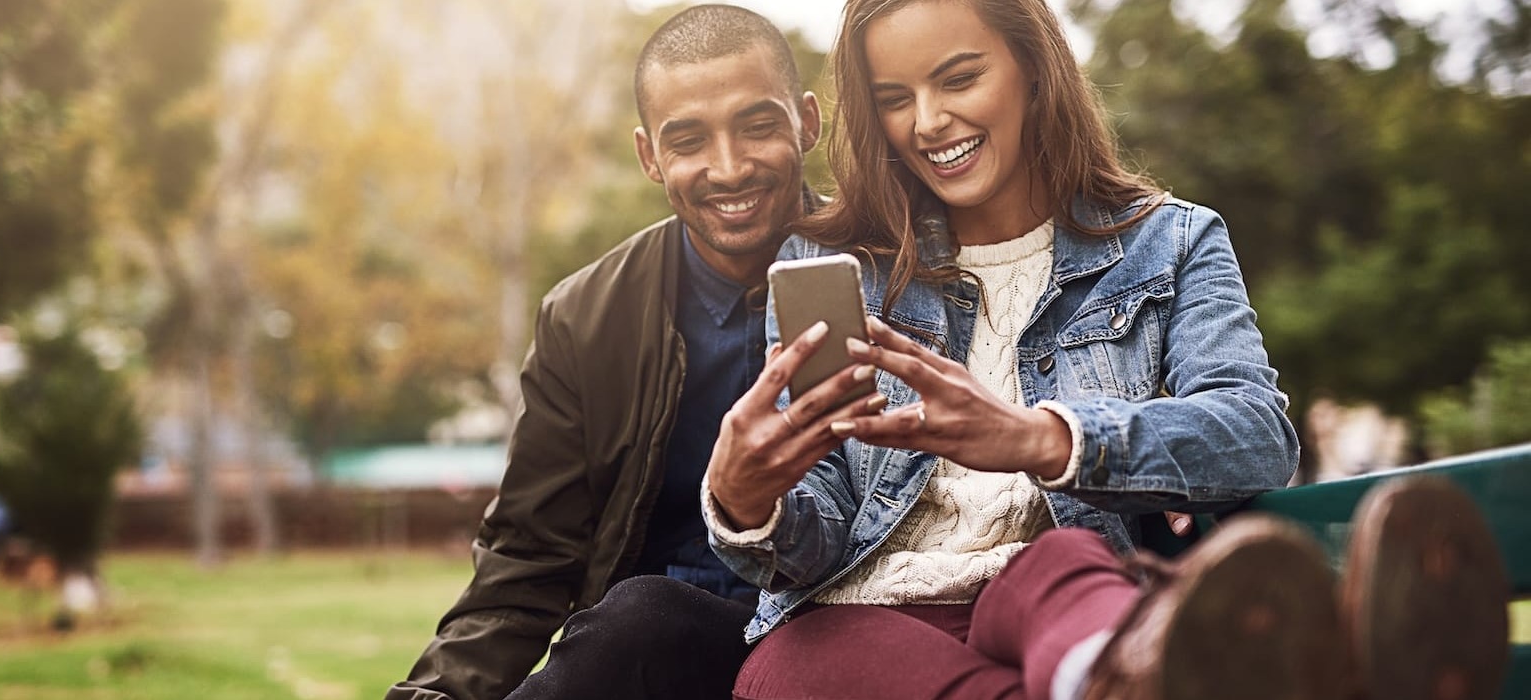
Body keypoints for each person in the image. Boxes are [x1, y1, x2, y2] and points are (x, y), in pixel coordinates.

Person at [702, 1, 1508, 699]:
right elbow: (813, 543)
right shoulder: (832, 268)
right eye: (894, 99)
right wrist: (749, 505)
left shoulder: (1171, 243)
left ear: (1033, 67)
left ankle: (1131, 673)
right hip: (860, 624)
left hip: (1066, 598)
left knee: (1063, 561)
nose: (927, 122)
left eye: (957, 79)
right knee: (811, 659)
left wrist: (1046, 439)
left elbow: (1256, 434)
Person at [386, 6, 876, 700]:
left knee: (637, 623)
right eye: (689, 141)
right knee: (638, 622)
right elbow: (529, 558)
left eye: (757, 126)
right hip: (639, 653)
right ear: (650, 157)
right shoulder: (585, 318)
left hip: (827, 636)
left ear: (807, 121)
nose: (729, 167)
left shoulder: (893, 276)